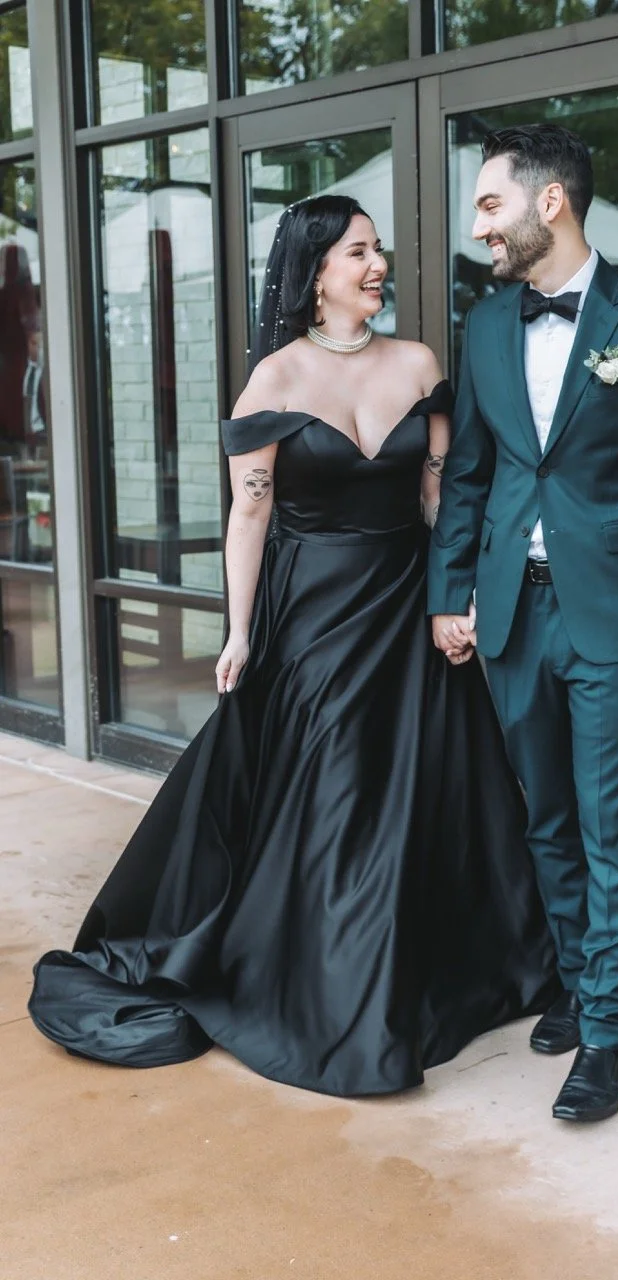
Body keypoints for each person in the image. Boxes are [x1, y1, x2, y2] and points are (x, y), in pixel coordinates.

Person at [28, 195, 559, 1097]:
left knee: (415, 791)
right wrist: (237, 632)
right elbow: (250, 514)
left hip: (406, 608)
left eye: (378, 250)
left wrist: (456, 596)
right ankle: (335, 986)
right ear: (316, 272)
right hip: (310, 616)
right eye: (358, 253)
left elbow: (441, 502)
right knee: (340, 787)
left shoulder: (419, 362)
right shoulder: (272, 380)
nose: (376, 264)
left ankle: (397, 975)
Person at [429, 125, 618, 1122]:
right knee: (546, 820)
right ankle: (570, 977)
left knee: (610, 827)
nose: (477, 224)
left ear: (547, 202)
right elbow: (470, 475)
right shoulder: (481, 328)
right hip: (513, 614)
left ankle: (605, 1033)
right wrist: (448, 592)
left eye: (487, 205)